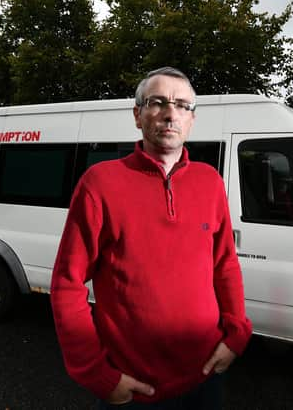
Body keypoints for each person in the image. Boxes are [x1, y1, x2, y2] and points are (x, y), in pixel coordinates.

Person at [50, 66, 252, 409]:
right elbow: (67, 284)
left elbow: (225, 265)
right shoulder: (99, 183)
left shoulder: (210, 182)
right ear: (137, 115)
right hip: (135, 391)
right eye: (157, 102)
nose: (171, 113)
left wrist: (236, 335)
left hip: (206, 378)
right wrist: (97, 374)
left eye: (182, 105)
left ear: (191, 119)